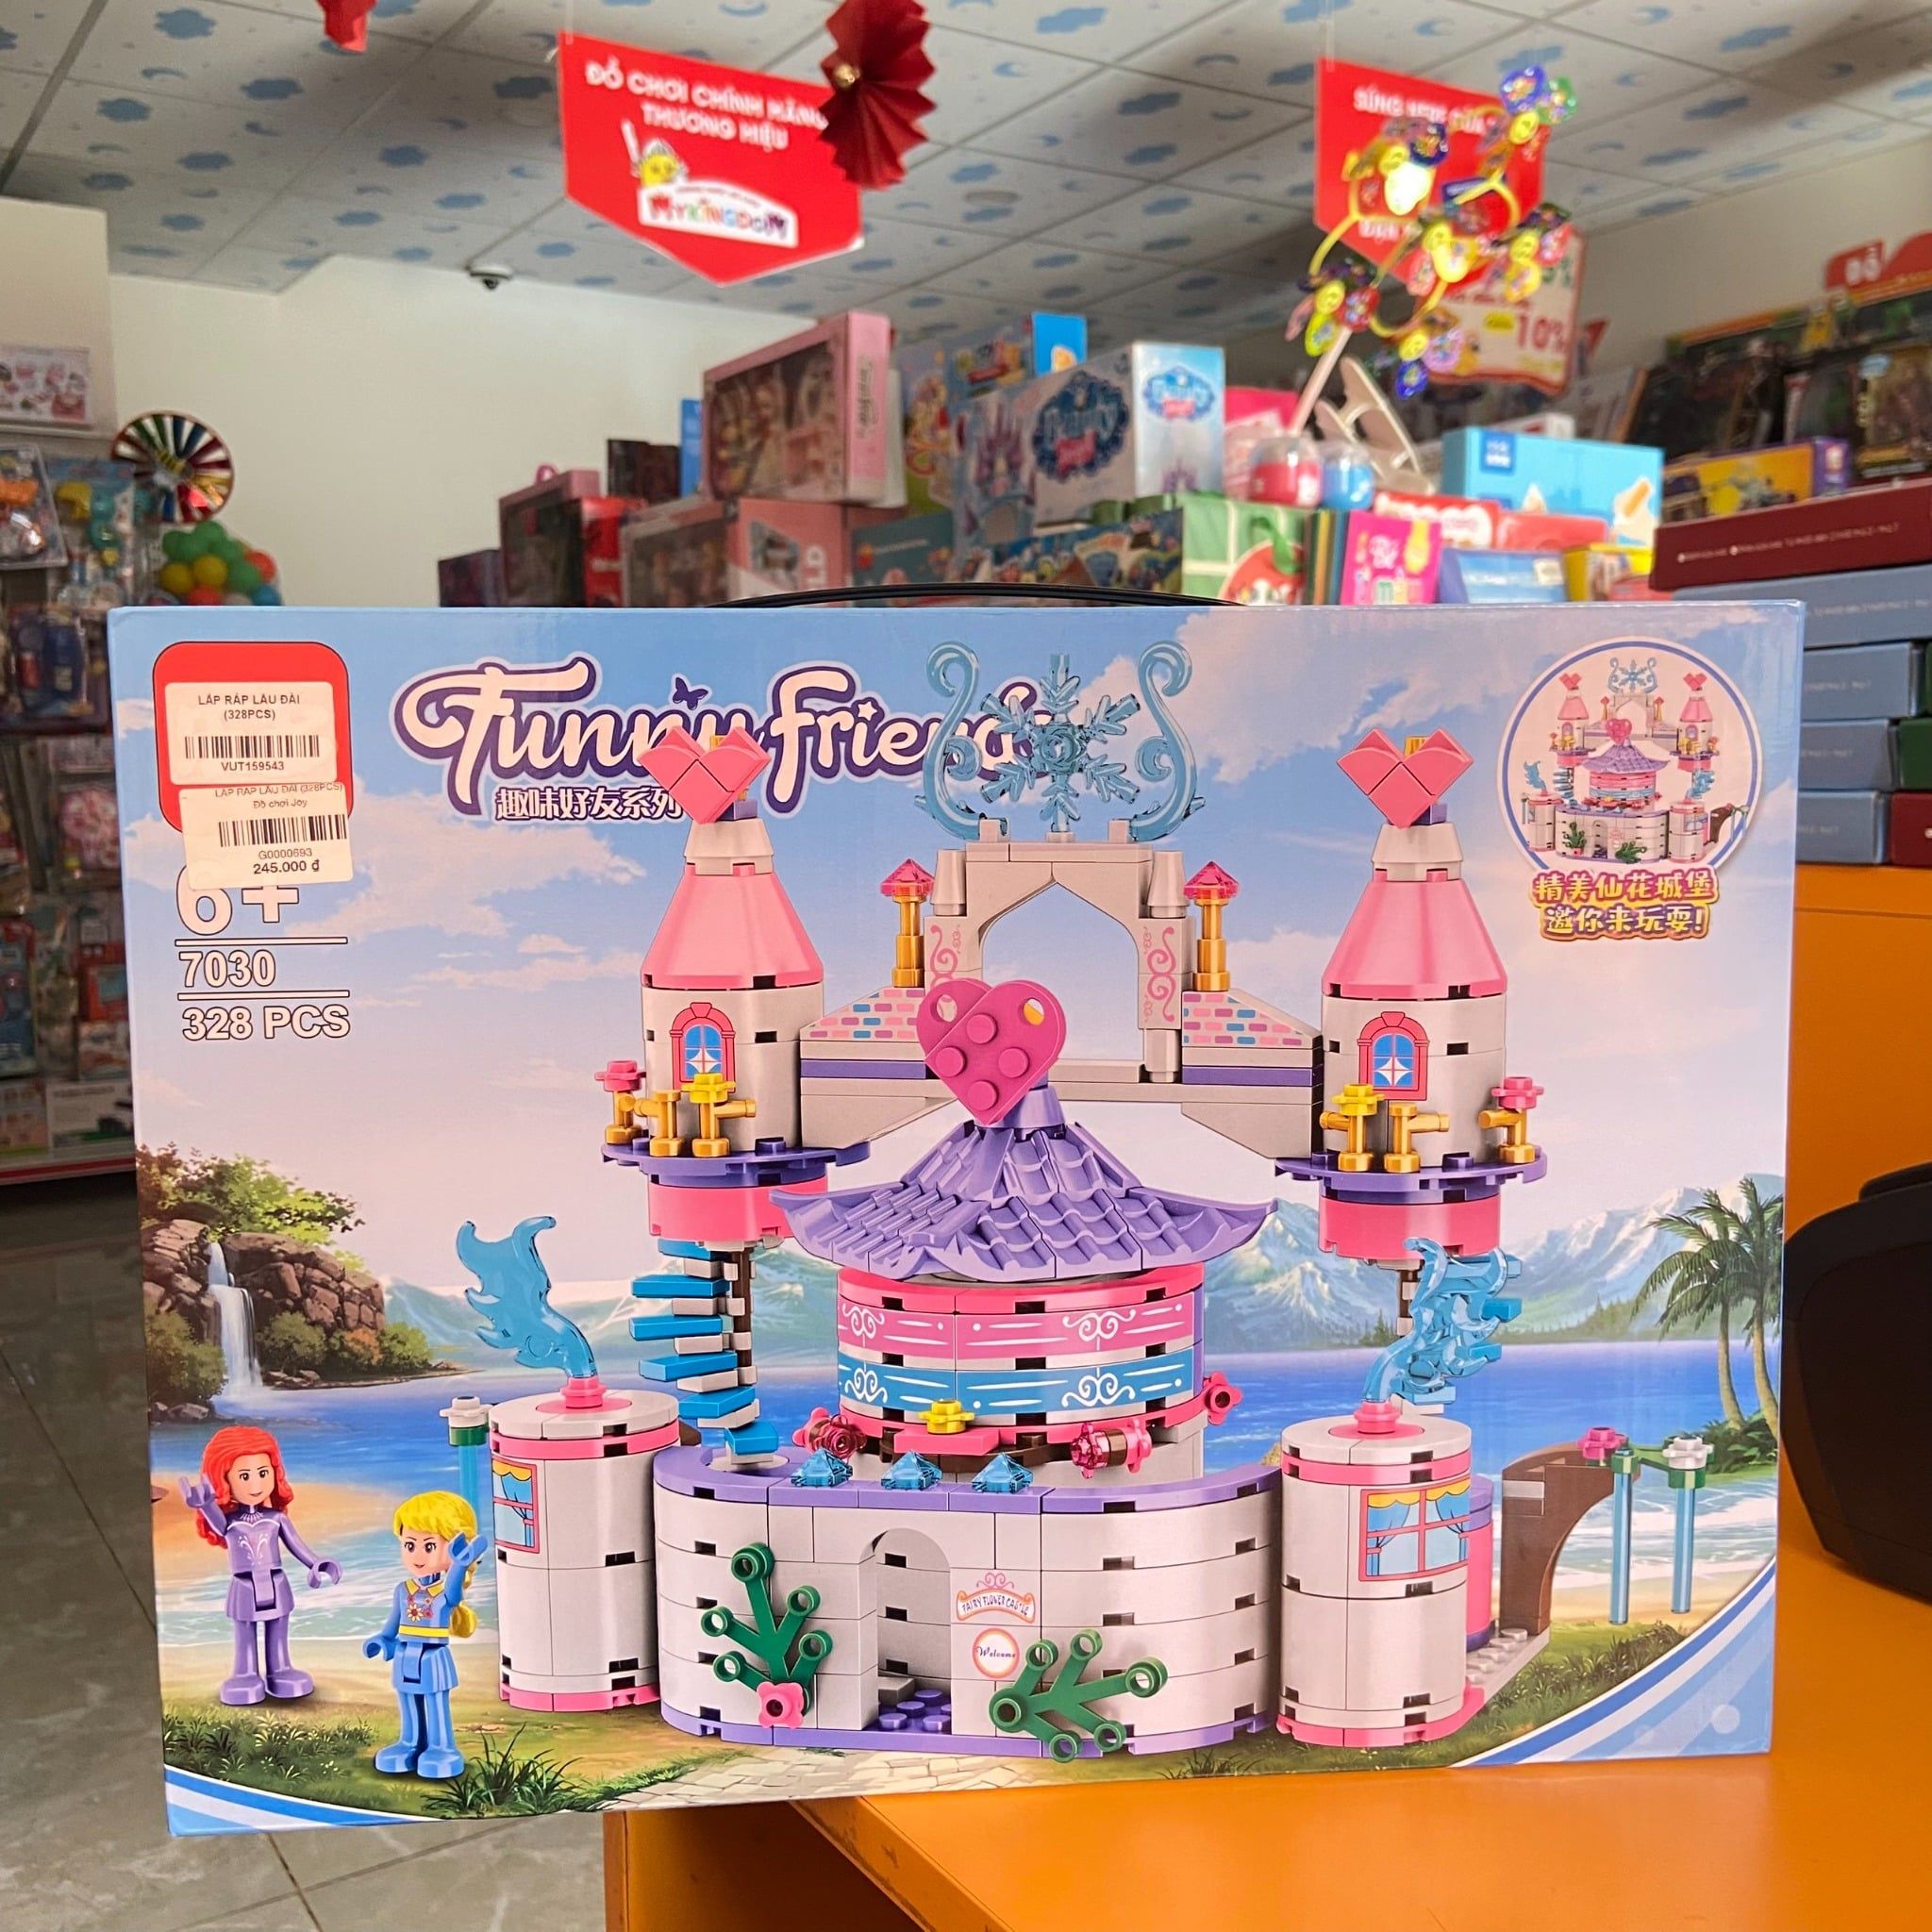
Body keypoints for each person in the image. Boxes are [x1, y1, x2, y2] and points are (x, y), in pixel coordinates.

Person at [181, 1424, 340, 1705]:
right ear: (223, 1480)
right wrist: (206, 1505)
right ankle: (245, 1673)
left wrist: (317, 1563)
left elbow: (296, 1544)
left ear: (275, 1474)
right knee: (245, 1630)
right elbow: (219, 1526)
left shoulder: (276, 1519)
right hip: (244, 1585)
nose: (255, 1485)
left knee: (278, 1628)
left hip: (277, 1582)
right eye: (244, 1476)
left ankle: (280, 1669)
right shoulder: (231, 1523)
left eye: (263, 1473)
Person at [364, 1491, 490, 1779]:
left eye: (429, 1546)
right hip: (405, 1654)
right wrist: (382, 1640)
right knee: (407, 1700)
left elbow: (454, 1593)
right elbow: (392, 1624)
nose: (417, 1555)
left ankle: (442, 1747)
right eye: (410, 1545)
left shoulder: (443, 1592)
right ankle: (409, 1743)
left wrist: (459, 1565)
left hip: (433, 1656)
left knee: (435, 1702)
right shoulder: (403, 1590)